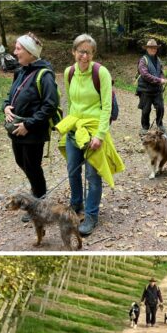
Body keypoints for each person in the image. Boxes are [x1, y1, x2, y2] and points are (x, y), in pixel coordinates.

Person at [57, 33, 124, 237]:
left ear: (93, 54)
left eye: (89, 52)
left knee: (92, 176)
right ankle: (76, 204)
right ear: (73, 52)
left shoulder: (101, 73)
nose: (84, 56)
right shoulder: (69, 73)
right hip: (75, 129)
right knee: (72, 170)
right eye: (81, 52)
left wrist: (100, 135)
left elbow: (106, 107)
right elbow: (70, 102)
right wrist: (69, 125)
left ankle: (91, 215)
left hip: (95, 130)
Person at [2, 33, 59, 217]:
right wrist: (5, 107)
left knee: (33, 167)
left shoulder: (45, 75)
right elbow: (9, 96)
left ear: (30, 52)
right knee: (22, 162)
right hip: (16, 131)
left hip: (33, 132)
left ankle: (39, 203)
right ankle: (37, 192)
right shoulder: (20, 71)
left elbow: (50, 105)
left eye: (18, 49)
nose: (15, 52)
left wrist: (28, 125)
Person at [136, 39, 167, 134]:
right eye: (151, 48)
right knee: (146, 110)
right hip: (145, 90)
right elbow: (145, 75)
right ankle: (145, 127)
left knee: (161, 108)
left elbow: (161, 72)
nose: (153, 49)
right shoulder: (143, 60)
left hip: (157, 89)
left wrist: (162, 79)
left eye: (155, 48)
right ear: (147, 49)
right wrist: (159, 80)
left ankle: (159, 124)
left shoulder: (158, 60)